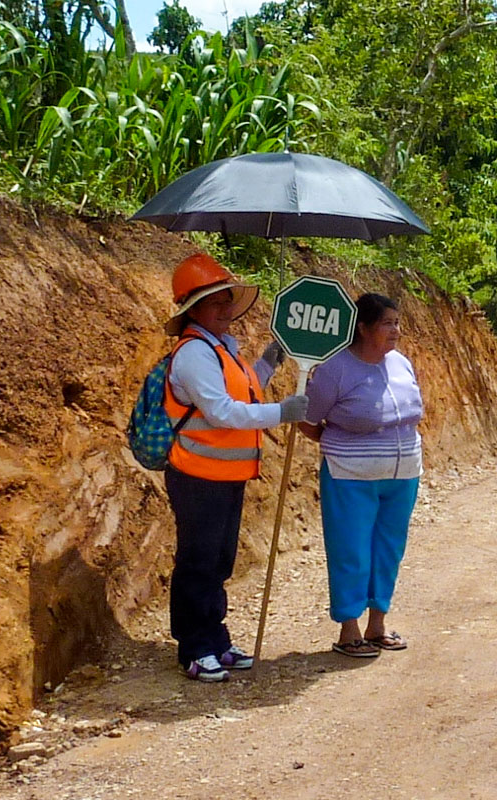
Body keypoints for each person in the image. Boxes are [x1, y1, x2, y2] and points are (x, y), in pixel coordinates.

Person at [162, 252, 309, 682]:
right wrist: (282, 413)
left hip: (225, 475)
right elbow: (224, 412)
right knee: (198, 560)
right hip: (196, 476)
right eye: (216, 302)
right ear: (195, 309)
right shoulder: (193, 354)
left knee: (220, 560)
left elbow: (246, 390)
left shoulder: (221, 350)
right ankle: (194, 647)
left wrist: (268, 362)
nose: (226, 308)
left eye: (228, 300)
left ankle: (216, 638)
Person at [299, 293, 423, 658]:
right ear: (364, 328)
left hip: (403, 475)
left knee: (388, 550)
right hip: (349, 476)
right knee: (350, 550)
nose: (395, 331)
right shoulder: (335, 369)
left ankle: (377, 625)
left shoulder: (401, 364)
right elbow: (307, 419)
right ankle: (349, 629)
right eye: (387, 323)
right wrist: (340, 446)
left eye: (397, 323)